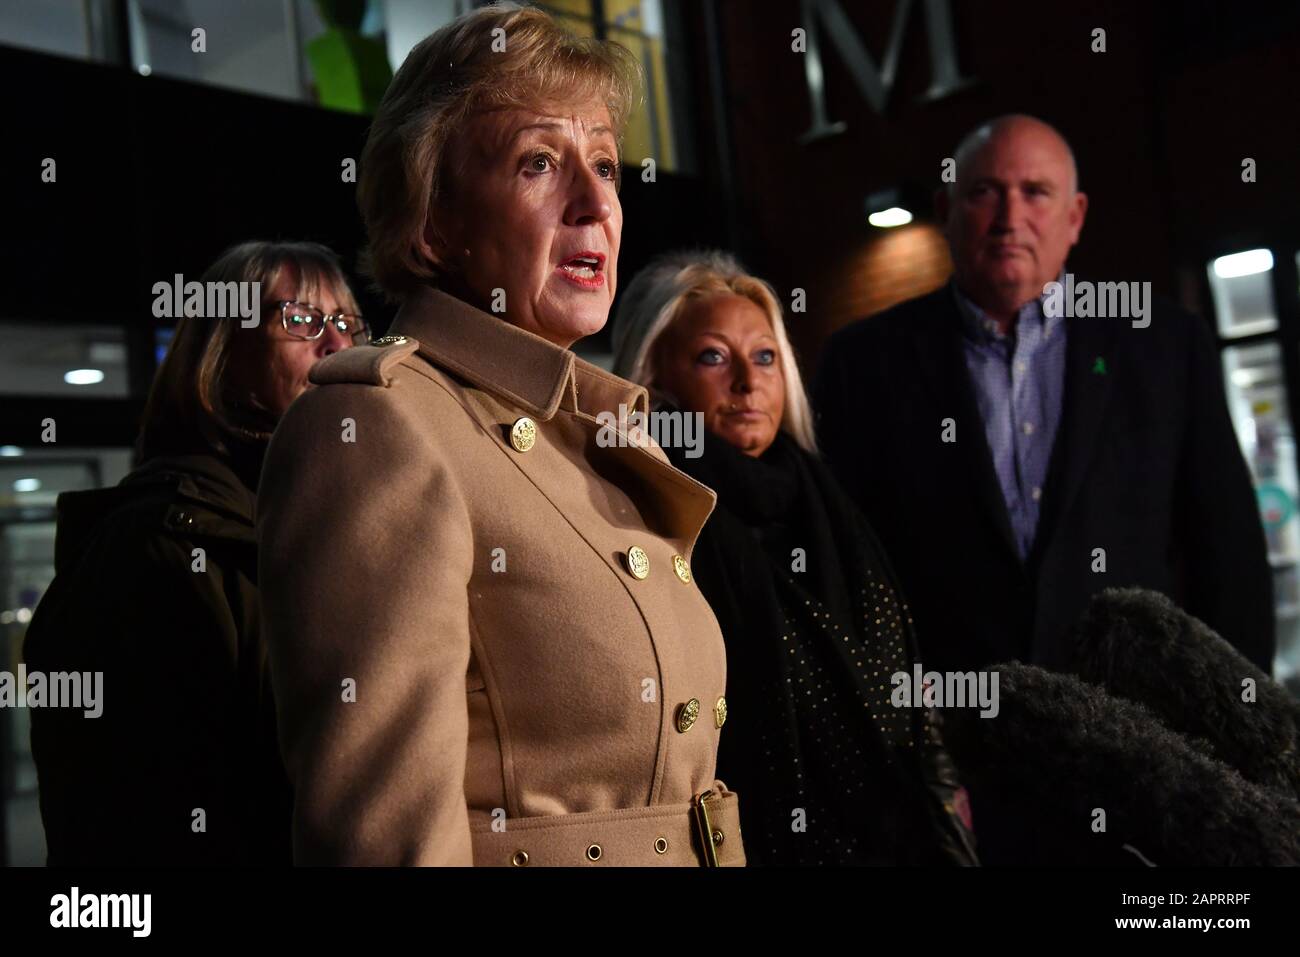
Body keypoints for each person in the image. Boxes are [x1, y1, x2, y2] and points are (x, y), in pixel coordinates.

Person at [256, 4, 744, 867]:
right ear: (434, 220)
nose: (596, 202)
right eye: (538, 164)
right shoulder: (373, 424)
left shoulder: (603, 429)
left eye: (604, 163)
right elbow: (385, 846)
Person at [812, 114, 1274, 678]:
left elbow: (1227, 551)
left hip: (1137, 723)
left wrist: (1241, 723)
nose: (1010, 219)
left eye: (1035, 193)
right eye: (984, 192)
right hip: (948, 729)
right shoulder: (863, 363)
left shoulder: (1166, 346)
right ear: (945, 212)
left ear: (1074, 217)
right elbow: (845, 568)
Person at [611, 249, 976, 866]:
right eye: (712, 357)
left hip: (896, 835)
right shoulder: (645, 510)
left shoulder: (828, 500)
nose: (747, 383)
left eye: (763, 357)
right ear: (654, 375)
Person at [23, 239, 366, 865]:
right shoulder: (158, 547)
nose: (338, 344)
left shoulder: (325, 522)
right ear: (222, 354)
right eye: (299, 320)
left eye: (347, 323)